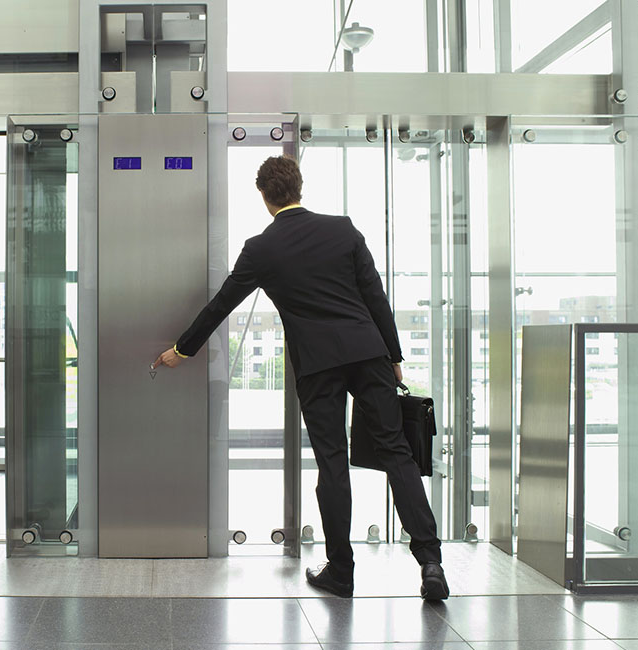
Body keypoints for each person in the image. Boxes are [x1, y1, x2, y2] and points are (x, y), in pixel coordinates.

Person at [152, 155, 448, 600]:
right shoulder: (343, 229)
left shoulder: (261, 249)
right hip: (369, 354)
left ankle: (342, 571)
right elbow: (375, 295)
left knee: (333, 465)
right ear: (300, 187)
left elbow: (220, 306)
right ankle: (430, 562)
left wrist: (181, 349)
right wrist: (394, 357)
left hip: (318, 366)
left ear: (264, 196)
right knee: (396, 453)